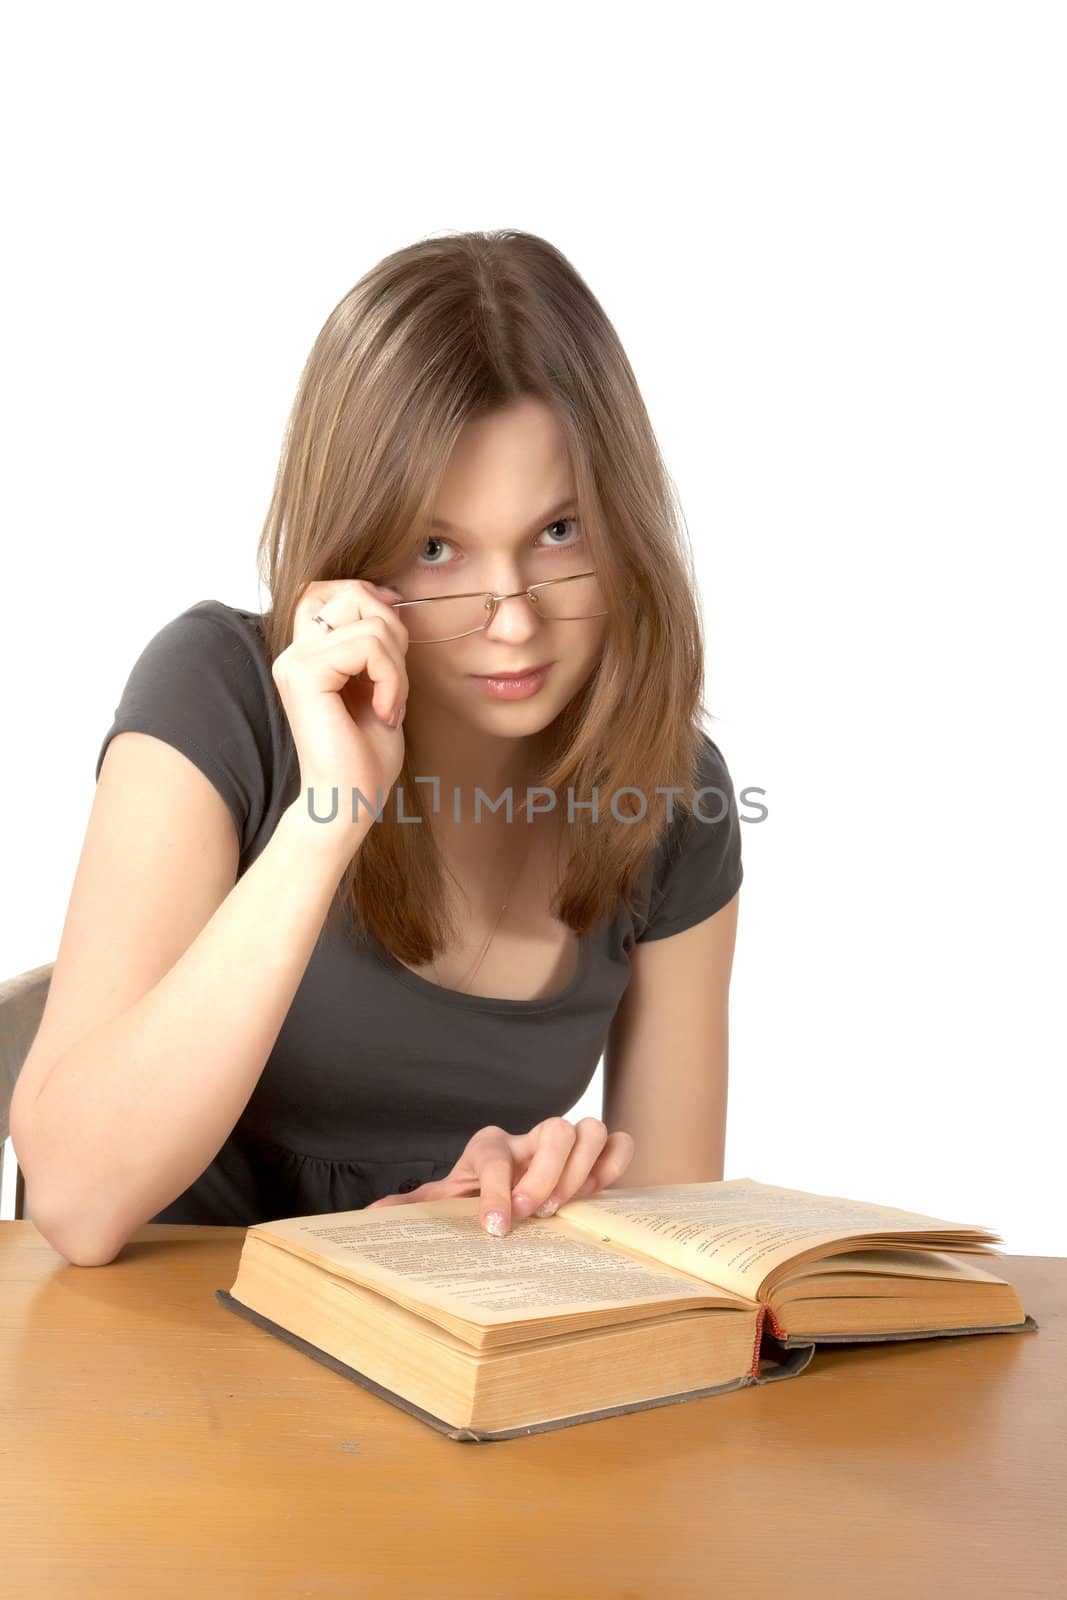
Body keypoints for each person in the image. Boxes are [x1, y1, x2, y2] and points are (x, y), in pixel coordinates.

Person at [11, 229, 744, 1267]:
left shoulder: (670, 797)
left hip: (427, 1364)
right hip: (164, 1376)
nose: (512, 619)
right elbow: (79, 1204)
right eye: (436, 549)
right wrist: (325, 821)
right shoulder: (218, 691)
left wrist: (545, 1196)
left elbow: (677, 1244)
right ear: (353, 550)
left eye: (560, 532)